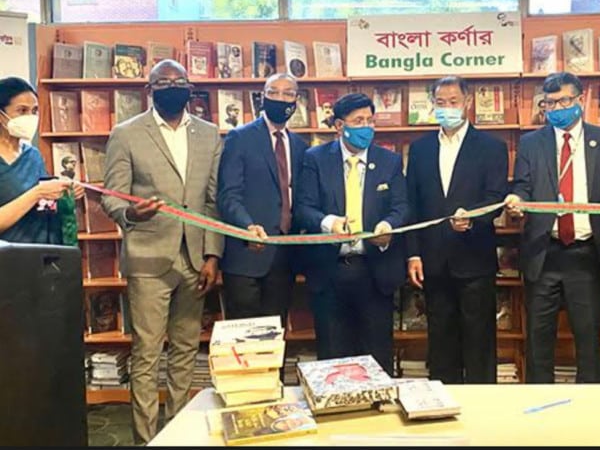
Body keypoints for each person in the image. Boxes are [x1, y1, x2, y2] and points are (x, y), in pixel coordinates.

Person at [101, 60, 223, 444]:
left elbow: (212, 201)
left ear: (190, 88)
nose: (173, 86)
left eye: (180, 81)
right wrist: (129, 213)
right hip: (149, 257)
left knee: (186, 350)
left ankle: (179, 433)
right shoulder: (126, 134)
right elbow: (110, 195)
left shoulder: (210, 133)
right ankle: (145, 438)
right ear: (149, 89)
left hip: (195, 258)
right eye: (164, 82)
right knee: (147, 352)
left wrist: (213, 255)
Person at [504, 72, 600, 384]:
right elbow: (522, 186)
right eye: (550, 103)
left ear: (580, 99)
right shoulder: (532, 143)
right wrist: (517, 200)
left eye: (564, 101)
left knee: (588, 341)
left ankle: (590, 414)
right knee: (538, 340)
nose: (557, 108)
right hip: (544, 254)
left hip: (586, 254)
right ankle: (537, 411)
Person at [294, 93, 408, 375]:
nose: (366, 127)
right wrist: (328, 222)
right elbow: (303, 208)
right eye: (358, 121)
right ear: (339, 126)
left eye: (370, 120)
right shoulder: (315, 159)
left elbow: (402, 206)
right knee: (333, 361)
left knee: (376, 360)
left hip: (374, 273)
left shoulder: (389, 161)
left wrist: (388, 227)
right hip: (330, 274)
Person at [405, 76, 508, 384]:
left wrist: (473, 219)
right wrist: (413, 254)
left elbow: (496, 199)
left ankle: (483, 407)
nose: (446, 108)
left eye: (453, 102)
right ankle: (442, 405)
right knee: (440, 339)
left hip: (474, 258)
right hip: (433, 261)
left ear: (468, 103)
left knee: (479, 340)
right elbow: (412, 204)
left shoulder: (492, 147)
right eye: (440, 102)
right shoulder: (420, 148)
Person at [218, 73, 308, 323]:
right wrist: (247, 226)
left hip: (284, 257)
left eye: (288, 93)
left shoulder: (300, 145)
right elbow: (228, 195)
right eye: (273, 92)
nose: (280, 98)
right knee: (244, 340)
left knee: (276, 335)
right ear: (262, 97)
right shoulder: (240, 137)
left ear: (296, 100)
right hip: (247, 256)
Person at [0, 76, 84, 244]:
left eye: (35, 111)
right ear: (2, 116)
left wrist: (63, 194)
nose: (30, 117)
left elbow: (43, 206)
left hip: (42, 254)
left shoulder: (33, 155)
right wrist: (37, 193)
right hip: (8, 258)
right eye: (22, 111)